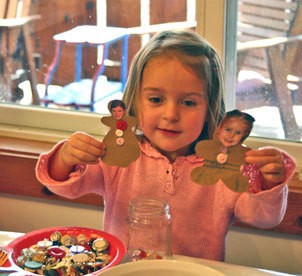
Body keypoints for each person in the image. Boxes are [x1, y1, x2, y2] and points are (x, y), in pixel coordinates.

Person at [36, 30, 296, 261]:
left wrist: (267, 182)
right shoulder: (120, 155)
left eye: (188, 103)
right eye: (156, 99)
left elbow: (263, 218)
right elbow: (65, 185)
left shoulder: (225, 166)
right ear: (135, 102)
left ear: (211, 108)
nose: (171, 114)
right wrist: (67, 155)